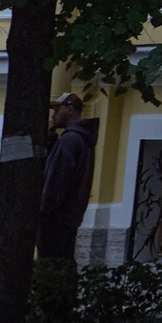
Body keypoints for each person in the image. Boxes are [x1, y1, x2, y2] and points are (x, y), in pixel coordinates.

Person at [35, 94, 98, 268]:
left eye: (57, 110)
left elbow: (57, 180)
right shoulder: (82, 139)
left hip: (55, 218)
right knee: (62, 266)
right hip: (69, 217)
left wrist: (42, 212)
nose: (53, 115)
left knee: (50, 269)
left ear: (70, 110)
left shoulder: (69, 140)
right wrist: (50, 138)